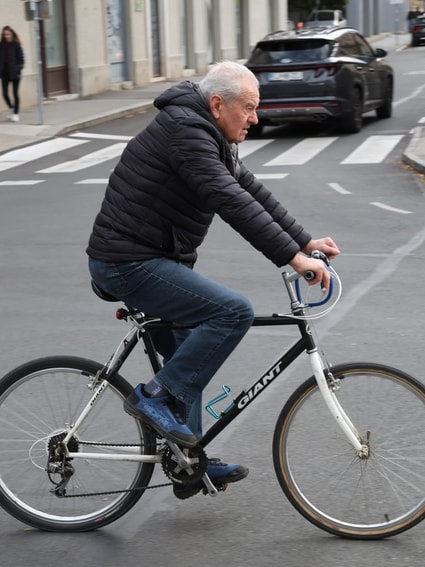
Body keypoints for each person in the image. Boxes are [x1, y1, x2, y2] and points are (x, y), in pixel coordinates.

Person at [86, 61, 340, 500]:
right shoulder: (187, 131)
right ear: (218, 103)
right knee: (231, 311)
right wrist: (293, 259)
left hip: (152, 257)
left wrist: (304, 240)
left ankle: (189, 462)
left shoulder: (208, 131)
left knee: (192, 353)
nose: (255, 118)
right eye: (249, 108)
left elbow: (249, 190)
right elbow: (228, 201)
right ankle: (154, 397)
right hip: (126, 261)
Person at [0, 26, 24, 122]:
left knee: (15, 94)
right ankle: (11, 108)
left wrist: (18, 69)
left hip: (15, 72)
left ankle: (16, 113)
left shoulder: (16, 45)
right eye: (4, 34)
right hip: (4, 72)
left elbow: (21, 59)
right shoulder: (0, 45)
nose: (6, 36)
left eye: (8, 34)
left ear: (12, 34)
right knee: (4, 94)